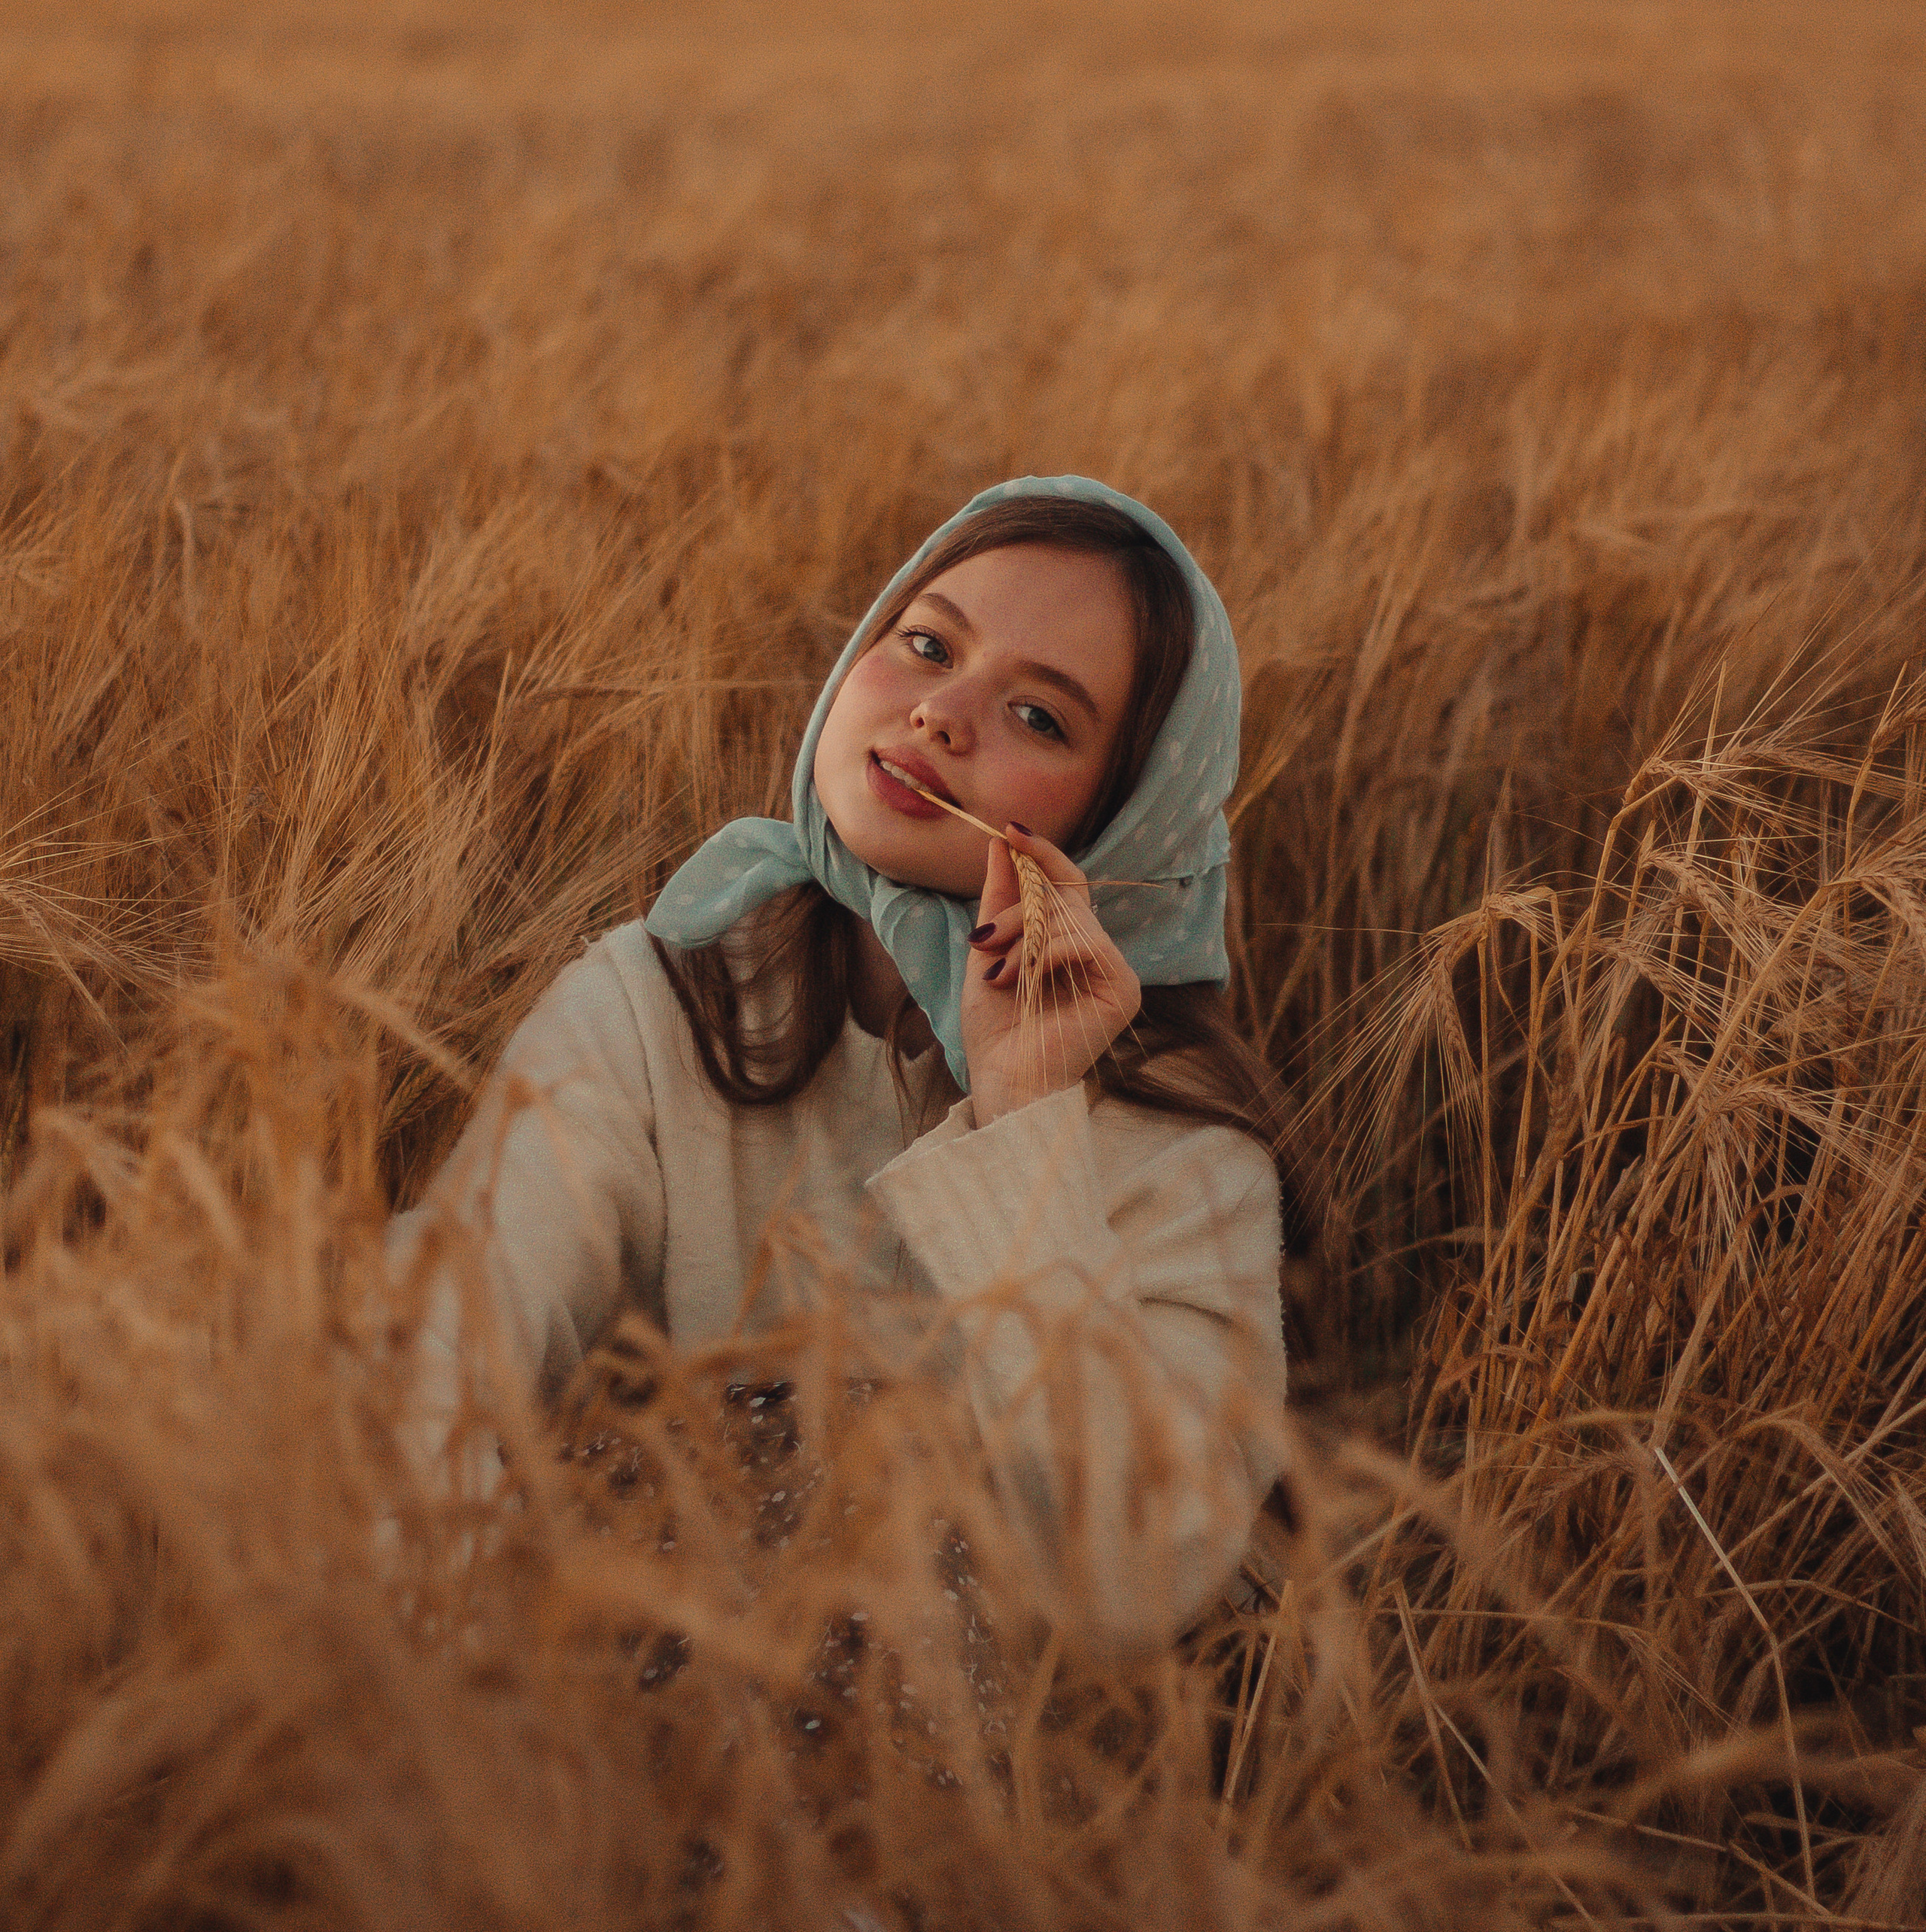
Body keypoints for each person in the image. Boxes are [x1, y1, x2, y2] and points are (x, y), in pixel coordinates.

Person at [386, 475, 1290, 1648]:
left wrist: (1024, 1116)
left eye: (1041, 718)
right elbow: (443, 1360)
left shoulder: (1187, 1155)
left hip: (989, 1794)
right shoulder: (660, 999)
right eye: (925, 644)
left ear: (1131, 828)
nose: (942, 714)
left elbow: (1136, 1577)